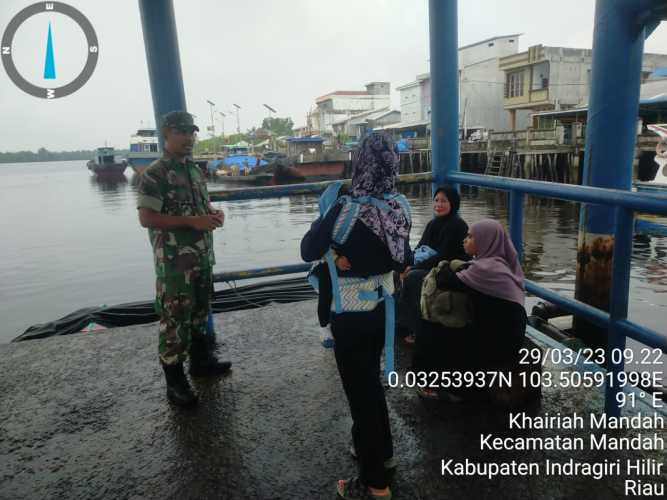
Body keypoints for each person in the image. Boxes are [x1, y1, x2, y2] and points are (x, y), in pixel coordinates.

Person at [301, 132, 412, 500]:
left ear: (359, 163)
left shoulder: (346, 209)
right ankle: (385, 455)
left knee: (360, 394)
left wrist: (334, 250)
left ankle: (374, 483)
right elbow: (403, 259)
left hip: (350, 315)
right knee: (371, 383)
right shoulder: (400, 207)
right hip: (384, 311)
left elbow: (307, 249)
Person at [137, 111, 231, 407]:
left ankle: (201, 362)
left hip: (202, 257)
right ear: (166, 133)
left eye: (192, 132)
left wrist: (214, 215)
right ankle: (175, 382)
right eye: (182, 132)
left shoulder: (194, 170)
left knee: (201, 311)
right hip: (175, 263)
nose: (189, 138)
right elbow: (147, 217)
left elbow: (200, 208)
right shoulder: (155, 173)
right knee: (175, 318)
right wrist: (193, 223)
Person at [416, 218, 526, 399]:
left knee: (433, 329)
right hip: (507, 334)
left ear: (485, 241)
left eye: (471, 237)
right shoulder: (498, 263)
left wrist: (447, 264)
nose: (465, 240)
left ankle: (453, 390)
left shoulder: (487, 269)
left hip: (500, 340)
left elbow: (445, 279)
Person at [398, 186, 468, 343]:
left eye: (444, 201)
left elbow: (444, 256)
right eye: (436, 200)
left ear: (453, 203)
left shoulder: (457, 225)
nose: (439, 204)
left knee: (413, 277)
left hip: (447, 269)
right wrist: (408, 263)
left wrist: (413, 268)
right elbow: (419, 248)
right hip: (430, 264)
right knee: (399, 271)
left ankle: (418, 329)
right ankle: (402, 321)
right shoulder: (432, 224)